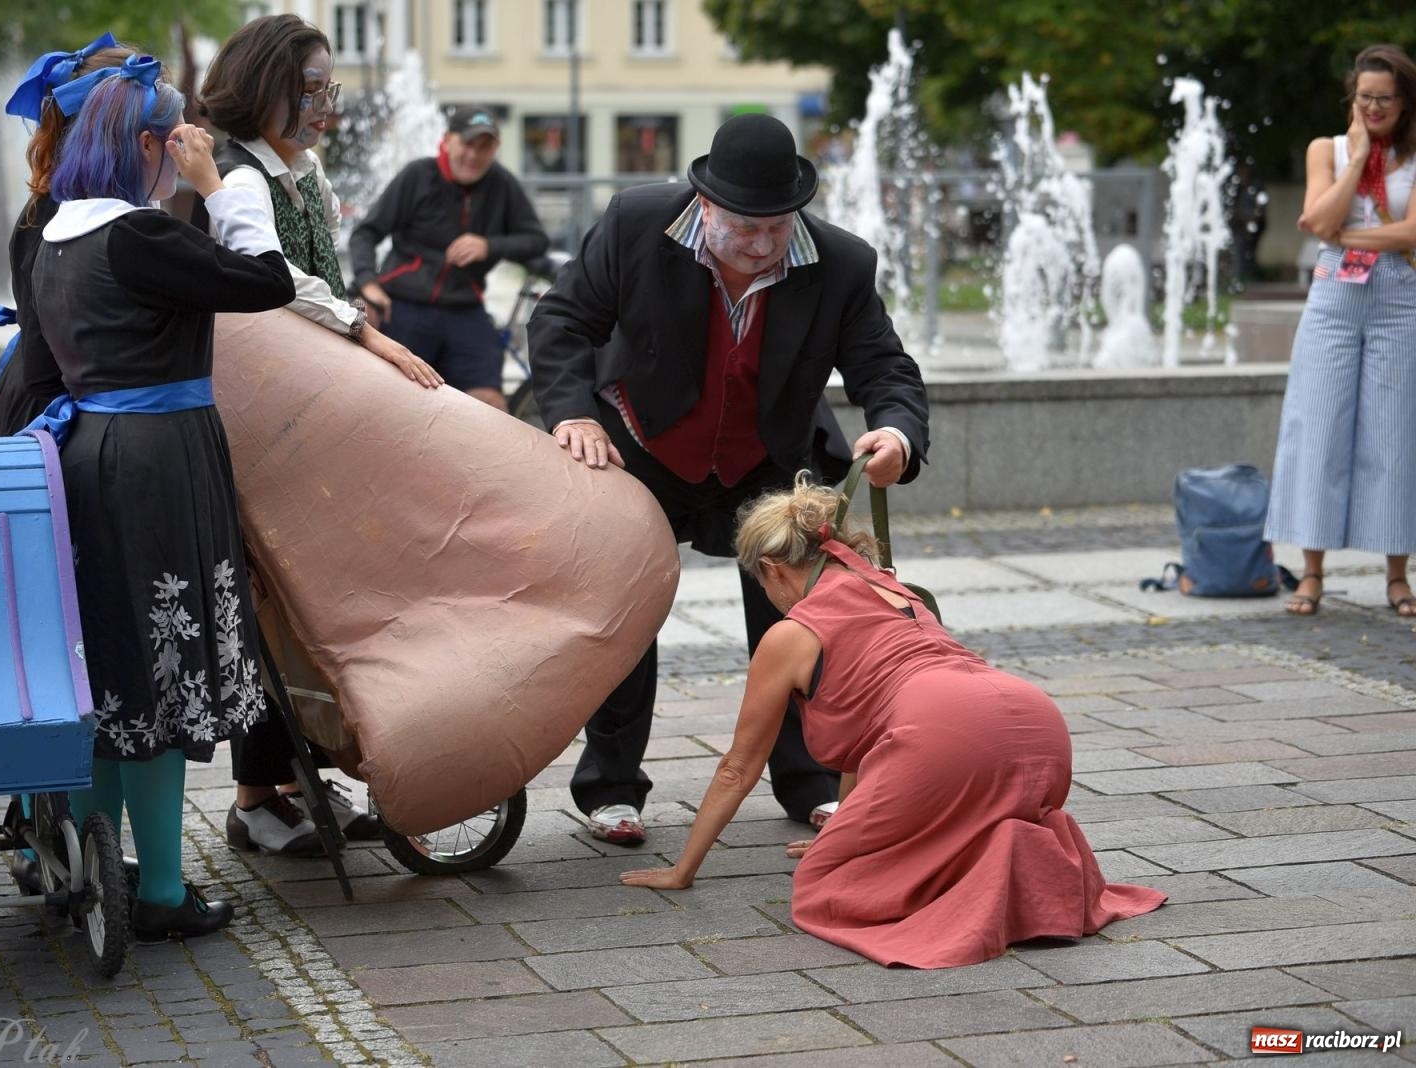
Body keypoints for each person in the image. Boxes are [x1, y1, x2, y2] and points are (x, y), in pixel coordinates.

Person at [527, 113, 929, 843]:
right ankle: (611, 789)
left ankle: (809, 780)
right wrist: (573, 416)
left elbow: (884, 365)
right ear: (706, 204)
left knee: (802, 617)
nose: (760, 243)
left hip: (767, 459)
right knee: (627, 610)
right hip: (643, 447)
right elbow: (561, 323)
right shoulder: (636, 223)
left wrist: (896, 430)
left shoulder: (840, 262)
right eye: (744, 225)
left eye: (777, 227)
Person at [619, 475, 1166, 968]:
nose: (769, 598)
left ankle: (998, 884)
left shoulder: (792, 635)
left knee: (825, 888)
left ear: (773, 570)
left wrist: (682, 870)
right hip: (1037, 721)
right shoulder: (895, 590)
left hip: (949, 737)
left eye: (763, 585)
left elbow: (740, 767)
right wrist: (854, 831)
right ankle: (1026, 864)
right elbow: (871, 738)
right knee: (936, 824)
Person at [30, 55, 296, 940]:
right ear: (151, 143)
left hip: (85, 454)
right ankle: (160, 895)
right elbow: (267, 281)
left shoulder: (54, 231)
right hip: (156, 459)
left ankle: (95, 872)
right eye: (178, 137)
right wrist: (220, 184)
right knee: (161, 675)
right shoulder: (136, 237)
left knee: (110, 671)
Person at [198, 13, 441, 855]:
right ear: (266, 88)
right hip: (262, 424)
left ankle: (300, 776)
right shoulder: (237, 177)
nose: (327, 108)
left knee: (309, 611)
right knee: (276, 606)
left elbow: (320, 277)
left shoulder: (297, 169)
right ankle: (255, 795)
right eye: (313, 91)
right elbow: (279, 281)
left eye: (330, 90)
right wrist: (366, 334)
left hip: (305, 414)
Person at [1269, 44, 1416, 618]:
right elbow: (1318, 215)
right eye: (1364, 97)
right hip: (1334, 299)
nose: (1374, 107)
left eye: (1385, 98)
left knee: (1394, 435)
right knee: (1320, 428)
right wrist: (1357, 160)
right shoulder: (1325, 150)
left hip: (1399, 301)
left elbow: (1406, 234)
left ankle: (1398, 575)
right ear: (1352, 97)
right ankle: (1311, 572)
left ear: (1405, 102)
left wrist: (1344, 235)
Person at [0, 32, 136, 437]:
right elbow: (43, 365)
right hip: (47, 423)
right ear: (111, 127)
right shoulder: (64, 212)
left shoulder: (64, 203)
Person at [348, 106, 549, 410]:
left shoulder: (502, 184)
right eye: (468, 143)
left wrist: (489, 246)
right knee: (399, 403)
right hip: (403, 304)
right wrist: (367, 283)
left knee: (490, 404)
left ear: (495, 149)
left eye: (485, 147)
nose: (474, 155)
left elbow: (536, 240)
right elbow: (365, 233)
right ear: (448, 141)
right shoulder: (417, 175)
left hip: (464, 308)